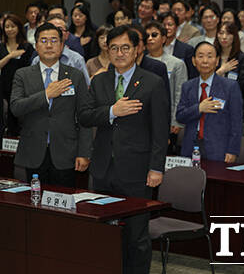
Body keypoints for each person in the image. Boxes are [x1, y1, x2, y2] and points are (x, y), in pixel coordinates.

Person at [79, 25, 169, 273]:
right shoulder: (99, 81)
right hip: (103, 168)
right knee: (105, 232)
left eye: (125, 48)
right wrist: (111, 112)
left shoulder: (153, 82)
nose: (119, 53)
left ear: (137, 49)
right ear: (107, 50)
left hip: (137, 172)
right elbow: (85, 116)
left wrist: (156, 168)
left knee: (136, 236)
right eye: (114, 48)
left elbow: (161, 131)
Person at [10, 22, 91, 186]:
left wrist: (84, 153)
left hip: (66, 152)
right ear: (36, 46)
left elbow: (85, 116)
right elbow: (16, 107)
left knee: (62, 206)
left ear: (62, 45)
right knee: (35, 205)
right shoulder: (22, 74)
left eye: (54, 41)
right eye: (44, 40)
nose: (49, 45)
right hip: (33, 151)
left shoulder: (75, 76)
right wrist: (46, 95)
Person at [177, 41, 242, 162]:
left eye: (210, 56)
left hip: (218, 149)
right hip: (190, 147)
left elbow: (236, 123)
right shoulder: (188, 86)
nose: (205, 61)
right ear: (193, 61)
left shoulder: (230, 86)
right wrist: (199, 108)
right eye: (200, 56)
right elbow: (180, 116)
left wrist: (233, 150)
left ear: (217, 61)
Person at [144, 21, 188, 147]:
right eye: (147, 36)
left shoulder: (176, 63)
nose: (150, 39)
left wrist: (175, 120)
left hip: (167, 119)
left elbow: (179, 93)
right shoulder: (140, 62)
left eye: (154, 35)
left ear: (163, 38)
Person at [1, 14, 35, 136]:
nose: (9, 29)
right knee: (7, 117)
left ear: (19, 27)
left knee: (21, 117)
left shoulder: (27, 46)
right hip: (4, 87)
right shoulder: (1, 46)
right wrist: (10, 56)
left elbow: (31, 67)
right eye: (7, 27)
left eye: (13, 26)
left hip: (22, 86)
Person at [31, 16, 91, 86]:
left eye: (59, 29)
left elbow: (86, 86)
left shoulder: (77, 59)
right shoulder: (37, 60)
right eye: (51, 27)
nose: (54, 32)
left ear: (67, 35)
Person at [161, 12, 196, 79]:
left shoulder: (187, 50)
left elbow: (191, 75)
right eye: (164, 25)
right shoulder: (154, 48)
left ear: (176, 27)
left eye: (170, 25)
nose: (166, 28)